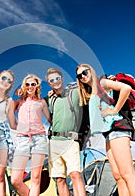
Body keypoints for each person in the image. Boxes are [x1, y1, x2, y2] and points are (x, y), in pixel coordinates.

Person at [76, 63, 135, 196]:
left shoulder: (103, 82)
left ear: (91, 71)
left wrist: (115, 110)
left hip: (118, 128)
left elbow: (126, 88)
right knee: (118, 176)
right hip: (108, 133)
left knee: (127, 173)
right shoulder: (91, 93)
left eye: (85, 72)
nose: (83, 76)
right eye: (79, 75)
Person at [44, 68, 86, 196]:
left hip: (70, 140)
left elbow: (88, 85)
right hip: (54, 142)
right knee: (60, 179)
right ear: (49, 84)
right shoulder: (50, 99)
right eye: (52, 80)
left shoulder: (74, 93)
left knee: (75, 174)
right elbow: (33, 100)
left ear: (62, 79)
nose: (55, 81)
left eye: (57, 78)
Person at [10, 74, 51, 196]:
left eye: (33, 84)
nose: (30, 86)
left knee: (36, 178)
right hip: (22, 139)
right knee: (15, 179)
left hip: (39, 138)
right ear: (24, 86)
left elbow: (51, 120)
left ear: (37, 86)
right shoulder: (18, 102)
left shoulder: (41, 102)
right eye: (27, 84)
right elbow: (8, 109)